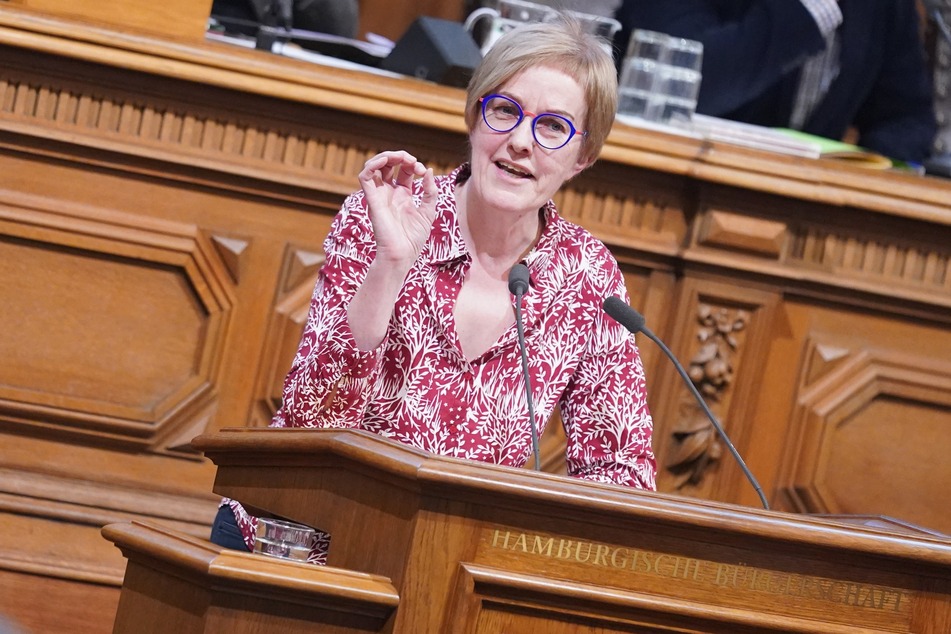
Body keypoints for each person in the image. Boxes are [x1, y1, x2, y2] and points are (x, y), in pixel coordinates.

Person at [210, 14, 657, 562]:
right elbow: (311, 418)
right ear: (474, 118)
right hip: (300, 548)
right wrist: (392, 264)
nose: (519, 142)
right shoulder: (387, 217)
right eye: (504, 111)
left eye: (552, 127)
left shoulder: (587, 278)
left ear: (583, 156)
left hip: (447, 574)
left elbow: (622, 475)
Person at [613, 0, 938, 163]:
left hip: (802, 209)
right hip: (671, 177)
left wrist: (864, 187)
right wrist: (808, 12)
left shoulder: (882, 6)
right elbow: (682, 86)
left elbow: (907, 120)